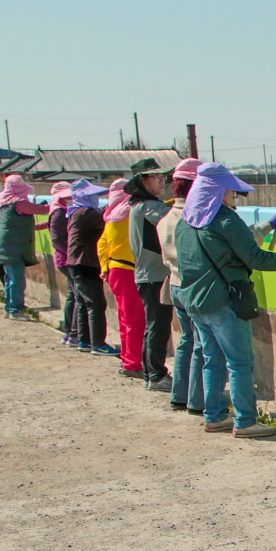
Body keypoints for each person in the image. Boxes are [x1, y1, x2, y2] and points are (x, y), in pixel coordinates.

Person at [173, 162, 276, 438]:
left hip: (195, 303)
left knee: (212, 360)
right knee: (240, 363)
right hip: (225, 302)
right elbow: (256, 258)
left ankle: (214, 416)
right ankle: (245, 422)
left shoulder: (184, 222)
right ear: (217, 190)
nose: (235, 194)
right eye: (230, 190)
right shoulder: (226, 220)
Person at [124, 158, 177, 392]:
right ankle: (156, 375)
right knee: (158, 326)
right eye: (156, 178)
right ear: (141, 181)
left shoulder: (139, 205)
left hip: (148, 275)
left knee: (154, 325)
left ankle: (151, 373)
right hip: (155, 275)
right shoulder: (149, 207)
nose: (162, 181)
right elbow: (177, 221)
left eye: (163, 177)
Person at [158, 159, 206, 414]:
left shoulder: (165, 218)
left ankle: (180, 394)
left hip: (174, 285)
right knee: (201, 344)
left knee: (186, 340)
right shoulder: (194, 218)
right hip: (194, 287)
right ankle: (197, 401)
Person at [97, 177, 146, 379]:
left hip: (115, 269)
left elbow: (102, 244)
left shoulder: (111, 216)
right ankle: (132, 364)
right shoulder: (131, 212)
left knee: (125, 318)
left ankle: (128, 358)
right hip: (128, 269)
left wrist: (104, 268)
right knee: (135, 320)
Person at [65, 179, 119, 357]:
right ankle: (98, 344)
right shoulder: (87, 212)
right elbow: (106, 222)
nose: (96, 198)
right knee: (96, 303)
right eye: (93, 195)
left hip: (76, 263)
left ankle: (85, 340)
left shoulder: (76, 212)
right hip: (85, 263)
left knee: (83, 303)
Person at [0, 174, 50, 321]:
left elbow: (23, 227)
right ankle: (15, 310)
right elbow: (43, 210)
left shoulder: (6, 204)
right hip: (13, 249)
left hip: (7, 248)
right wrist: (59, 204)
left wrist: (46, 225)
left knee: (10, 280)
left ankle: (9, 309)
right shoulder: (18, 203)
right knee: (17, 281)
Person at [46, 182, 77, 345]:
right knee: (74, 296)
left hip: (65, 258)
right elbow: (57, 239)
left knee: (72, 295)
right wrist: (71, 253)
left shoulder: (59, 210)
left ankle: (69, 332)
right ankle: (72, 332)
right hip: (66, 259)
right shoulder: (59, 212)